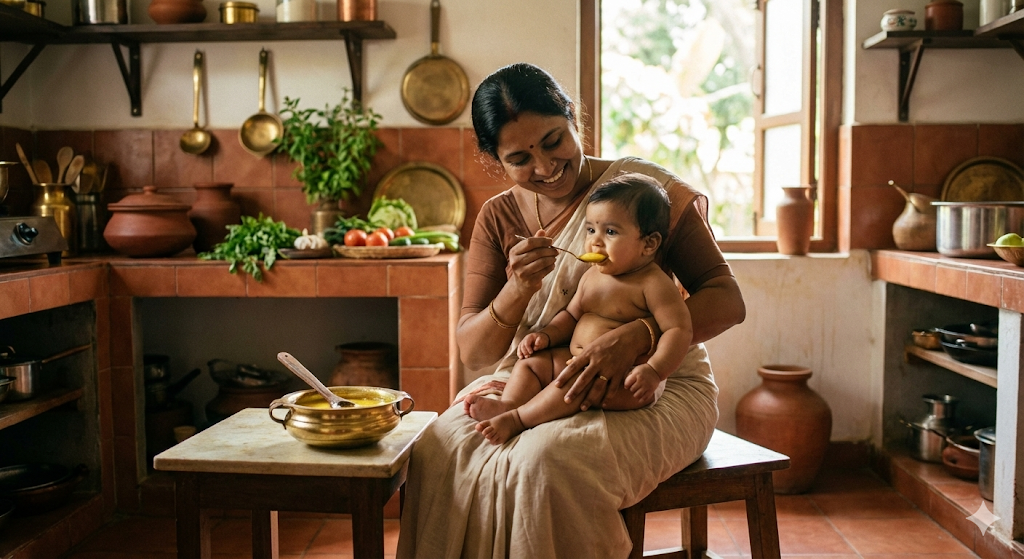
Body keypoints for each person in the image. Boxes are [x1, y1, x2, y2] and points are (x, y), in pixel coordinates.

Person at [396, 62, 745, 559]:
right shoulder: (498, 217)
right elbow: (475, 352)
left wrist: (639, 338)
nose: (545, 167)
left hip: (653, 386)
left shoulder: (642, 192)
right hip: (541, 375)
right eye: (520, 158)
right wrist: (518, 288)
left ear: (573, 118)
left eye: (554, 141)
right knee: (437, 446)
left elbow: (728, 300)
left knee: (545, 463)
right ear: (497, 161)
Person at [467, 174, 693, 445]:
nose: (595, 242)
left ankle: (518, 419)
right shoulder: (592, 276)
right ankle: (510, 404)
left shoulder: (653, 283)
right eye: (590, 230)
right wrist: (546, 336)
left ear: (649, 243)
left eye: (610, 232)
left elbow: (678, 330)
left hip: (624, 377)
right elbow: (571, 316)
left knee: (574, 381)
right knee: (530, 364)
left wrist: (654, 371)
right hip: (575, 359)